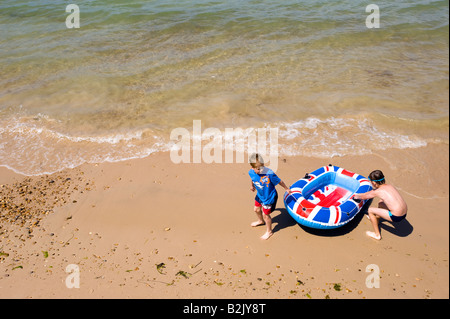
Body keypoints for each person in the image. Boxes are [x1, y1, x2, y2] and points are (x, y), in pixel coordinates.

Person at [354, 170, 407, 240]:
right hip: (404, 213)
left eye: (371, 182)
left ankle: (377, 235)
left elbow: (364, 197)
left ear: (374, 183)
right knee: (381, 202)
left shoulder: (379, 191)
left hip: (396, 217)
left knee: (370, 210)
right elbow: (372, 192)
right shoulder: (389, 186)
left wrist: (355, 197)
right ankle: (377, 219)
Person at [248, 153, 292, 240]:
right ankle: (260, 221)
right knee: (256, 209)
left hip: (269, 197)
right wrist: (252, 186)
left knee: (265, 214)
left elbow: (280, 181)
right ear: (252, 168)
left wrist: (286, 189)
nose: (260, 170)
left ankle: (269, 231)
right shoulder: (251, 172)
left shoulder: (269, 173)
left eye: (262, 167)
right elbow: (252, 178)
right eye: (258, 169)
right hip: (260, 195)